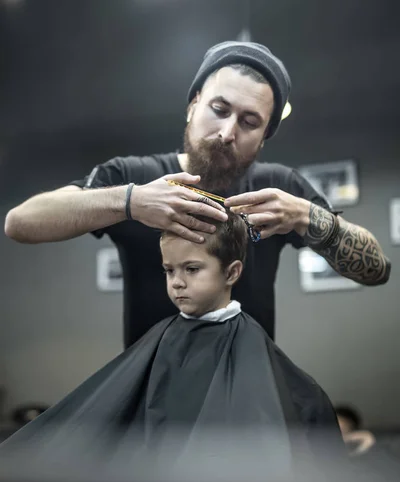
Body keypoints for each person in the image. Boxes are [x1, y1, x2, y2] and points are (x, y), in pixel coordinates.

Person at [4, 41, 391, 349]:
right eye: (218, 109)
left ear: (264, 137)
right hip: (153, 403)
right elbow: (20, 223)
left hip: (243, 400)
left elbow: (376, 271)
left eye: (249, 121)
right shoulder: (133, 176)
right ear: (193, 106)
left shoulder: (281, 189)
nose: (227, 132)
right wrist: (130, 202)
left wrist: (307, 216)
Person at [2, 210, 343, 464]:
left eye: (191, 269)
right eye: (169, 270)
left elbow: (302, 409)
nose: (176, 282)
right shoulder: (161, 337)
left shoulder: (250, 343)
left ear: (231, 272)